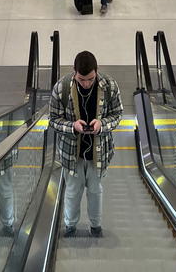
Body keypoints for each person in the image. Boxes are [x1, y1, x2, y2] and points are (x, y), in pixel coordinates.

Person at [49, 50, 122, 238]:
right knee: (72, 192)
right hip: (71, 153)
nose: (87, 84)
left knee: (96, 192)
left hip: (100, 152)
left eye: (90, 79)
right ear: (74, 72)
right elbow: (53, 120)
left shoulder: (110, 86)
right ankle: (70, 226)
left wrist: (102, 124)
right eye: (82, 80)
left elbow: (117, 114)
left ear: (96, 71)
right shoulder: (61, 88)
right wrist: (72, 126)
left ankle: (96, 226)